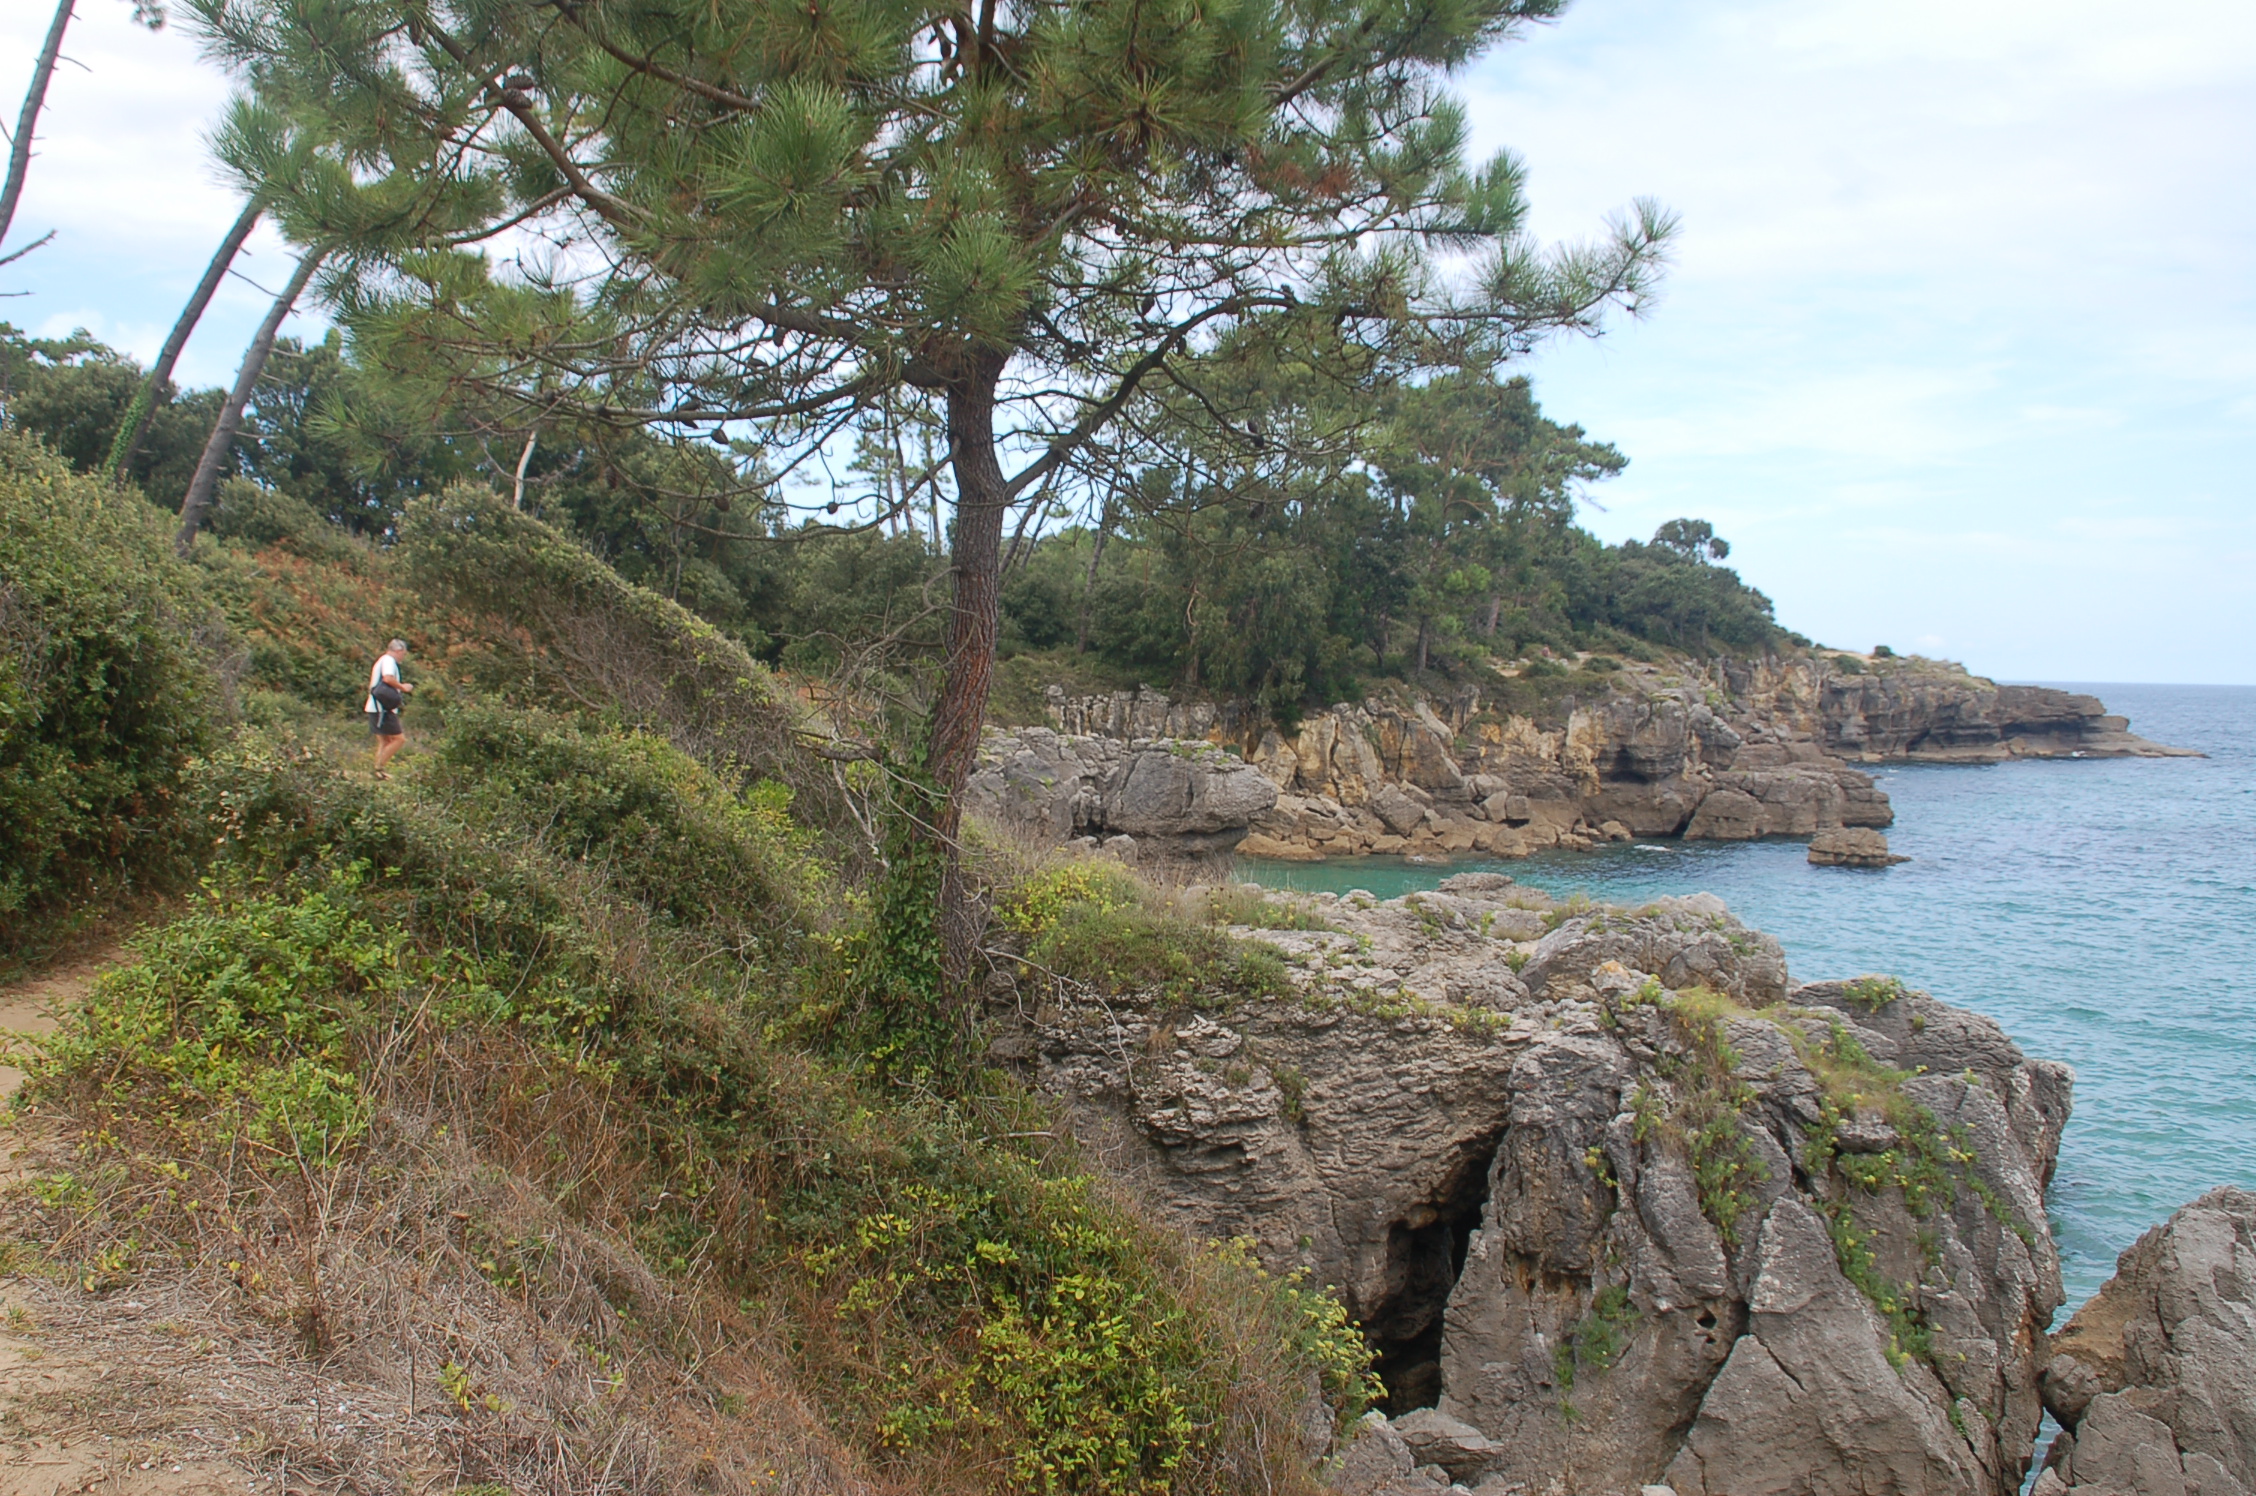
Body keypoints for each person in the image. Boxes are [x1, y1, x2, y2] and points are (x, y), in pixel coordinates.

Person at [366, 638, 413, 776]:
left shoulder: (382, 660)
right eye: (403, 654)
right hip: (383, 709)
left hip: (375, 707)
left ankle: (379, 771)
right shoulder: (388, 661)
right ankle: (378, 769)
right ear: (398, 651)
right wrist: (402, 687)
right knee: (399, 739)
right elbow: (388, 678)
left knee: (385, 741)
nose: (403, 657)